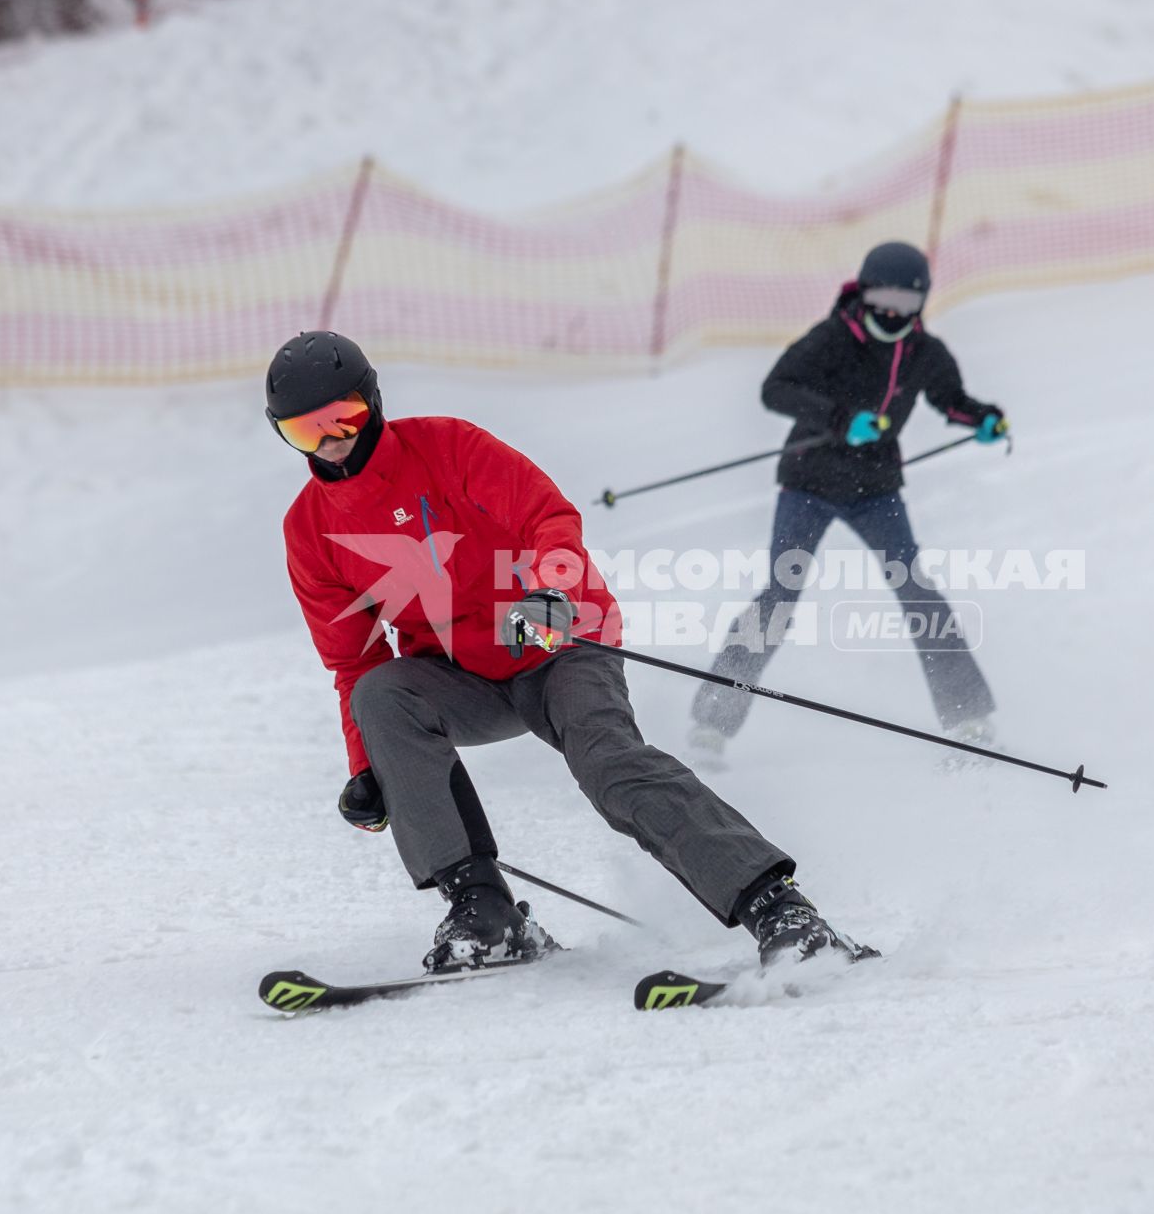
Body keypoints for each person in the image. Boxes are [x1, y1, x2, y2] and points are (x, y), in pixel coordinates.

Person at [268, 331, 873, 972]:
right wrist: (368, 767)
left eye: (345, 418)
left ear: (373, 401)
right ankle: (485, 914)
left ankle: (782, 912)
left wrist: (552, 594)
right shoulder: (309, 530)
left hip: (557, 643)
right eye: (307, 431)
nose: (332, 439)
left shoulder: (447, 446)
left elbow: (547, 517)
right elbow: (353, 659)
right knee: (380, 694)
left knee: (607, 763)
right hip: (462, 676)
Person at [689, 241, 1008, 762]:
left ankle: (969, 715)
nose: (892, 312)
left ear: (922, 304)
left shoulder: (924, 353)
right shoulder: (834, 338)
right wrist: (840, 419)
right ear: (862, 292)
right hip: (808, 485)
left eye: (906, 304)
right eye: (883, 298)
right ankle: (713, 720)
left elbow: (951, 399)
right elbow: (776, 389)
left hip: (875, 489)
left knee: (916, 590)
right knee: (780, 593)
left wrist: (984, 418)